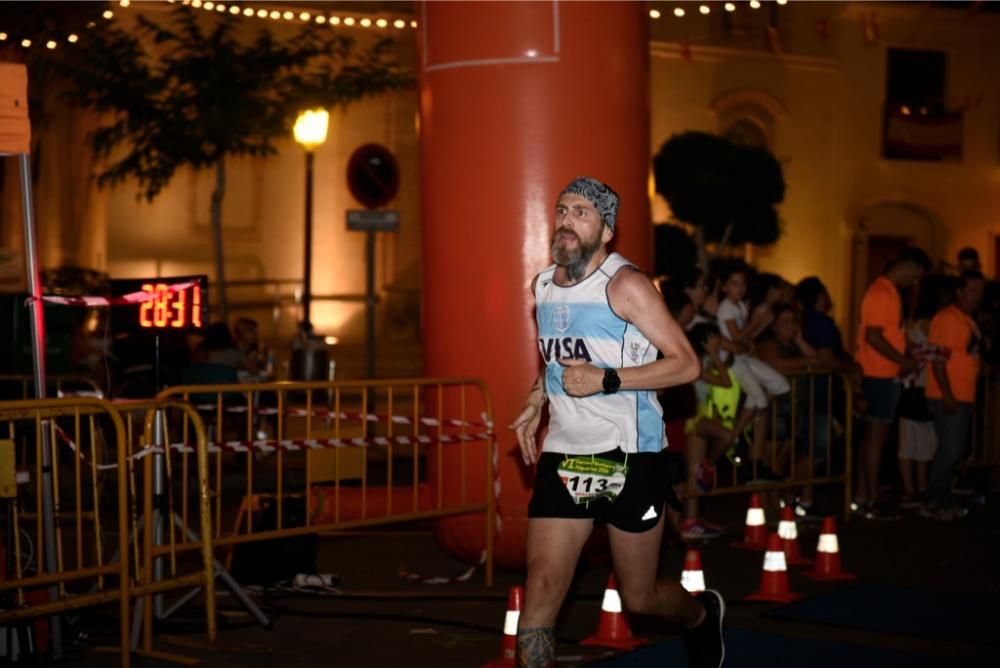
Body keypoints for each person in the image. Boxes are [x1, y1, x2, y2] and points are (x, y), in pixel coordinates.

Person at [510, 177, 725, 668]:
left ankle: (700, 614)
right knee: (541, 587)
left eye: (581, 212)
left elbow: (686, 364)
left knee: (641, 598)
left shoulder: (625, 285)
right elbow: (560, 358)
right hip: (565, 453)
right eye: (562, 209)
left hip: (631, 454)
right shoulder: (543, 285)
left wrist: (607, 380)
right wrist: (537, 396)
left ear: (606, 230)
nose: (566, 219)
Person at [853, 247, 930, 519]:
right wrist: (902, 359)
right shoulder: (883, 293)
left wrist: (904, 349)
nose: (915, 282)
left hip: (879, 373)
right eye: (916, 276)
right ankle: (872, 499)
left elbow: (882, 333)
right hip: (880, 374)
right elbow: (874, 337)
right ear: (908, 267)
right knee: (877, 438)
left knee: (871, 437)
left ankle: (864, 495)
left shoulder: (884, 291)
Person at [716, 263, 789, 481]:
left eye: (742, 284)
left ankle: (752, 418)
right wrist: (757, 322)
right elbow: (737, 336)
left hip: (744, 356)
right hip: (732, 359)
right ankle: (736, 437)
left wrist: (760, 325)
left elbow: (747, 338)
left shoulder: (740, 307)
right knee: (758, 397)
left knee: (780, 384)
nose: (739, 288)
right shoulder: (726, 307)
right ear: (724, 287)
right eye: (734, 284)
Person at [923, 270, 985, 520]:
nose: (977, 296)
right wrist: (947, 394)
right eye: (972, 290)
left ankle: (942, 500)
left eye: (980, 291)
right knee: (949, 450)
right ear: (959, 291)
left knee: (952, 450)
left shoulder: (966, 319)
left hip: (961, 394)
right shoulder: (948, 319)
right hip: (949, 395)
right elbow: (938, 359)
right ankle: (933, 501)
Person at [897, 277, 951, 509]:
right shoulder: (929, 325)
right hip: (922, 386)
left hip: (916, 385)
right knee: (916, 441)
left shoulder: (913, 323)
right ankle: (914, 488)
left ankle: (916, 487)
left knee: (917, 441)